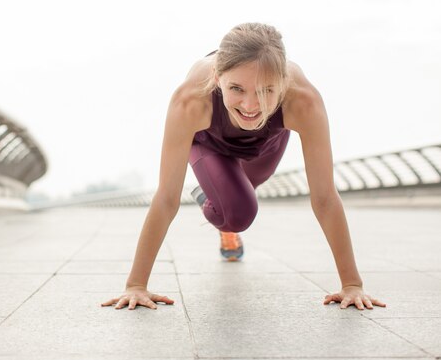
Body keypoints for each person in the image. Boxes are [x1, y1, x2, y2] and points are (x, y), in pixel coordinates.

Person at [101, 23, 387, 311]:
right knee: (239, 213)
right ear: (216, 78)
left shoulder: (303, 101)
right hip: (210, 146)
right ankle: (213, 198)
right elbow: (166, 198)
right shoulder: (191, 100)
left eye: (266, 90)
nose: (251, 105)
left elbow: (324, 197)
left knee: (246, 190)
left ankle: (220, 195)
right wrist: (136, 285)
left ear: (284, 84)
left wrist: (352, 285)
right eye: (236, 88)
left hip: (265, 146)